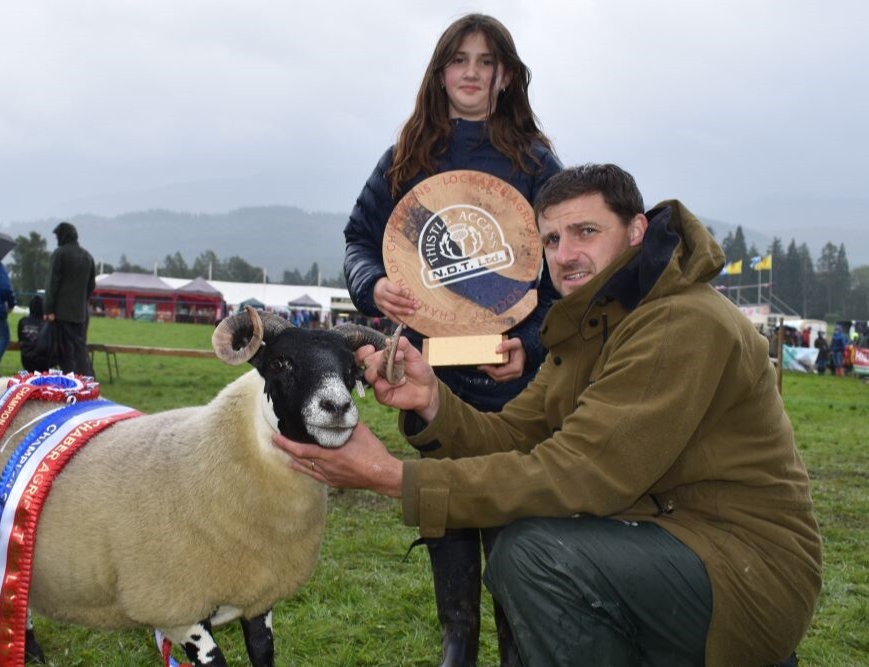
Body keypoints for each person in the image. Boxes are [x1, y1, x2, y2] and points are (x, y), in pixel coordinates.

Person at [281, 164, 822, 666]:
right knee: (534, 537)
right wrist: (433, 402)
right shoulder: (595, 321)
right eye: (553, 240)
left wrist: (390, 478)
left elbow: (579, 472)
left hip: (745, 571)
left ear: (636, 231)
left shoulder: (680, 322)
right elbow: (517, 435)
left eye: (586, 232)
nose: (564, 255)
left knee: (533, 554)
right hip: (665, 535)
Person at [342, 13, 562, 666]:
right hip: (430, 383)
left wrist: (536, 344)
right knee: (449, 527)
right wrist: (373, 284)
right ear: (440, 73)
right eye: (459, 59)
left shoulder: (537, 162)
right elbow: (359, 238)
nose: (471, 71)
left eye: (485, 61)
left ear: (504, 77)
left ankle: (519, 652)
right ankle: (456, 647)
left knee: (516, 539)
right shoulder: (407, 157)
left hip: (512, 394)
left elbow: (566, 271)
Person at [44, 221, 96, 376]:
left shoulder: (59, 254)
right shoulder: (88, 256)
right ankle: (86, 379)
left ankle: (70, 381)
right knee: (80, 348)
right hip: (80, 313)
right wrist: (81, 300)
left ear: (62, 236)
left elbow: (52, 283)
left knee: (64, 350)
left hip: (61, 313)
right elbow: (91, 285)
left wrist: (48, 309)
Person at [17, 295, 53, 372]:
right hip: (42, 361)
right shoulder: (47, 324)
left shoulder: (22, 321)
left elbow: (20, 339)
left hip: (26, 359)